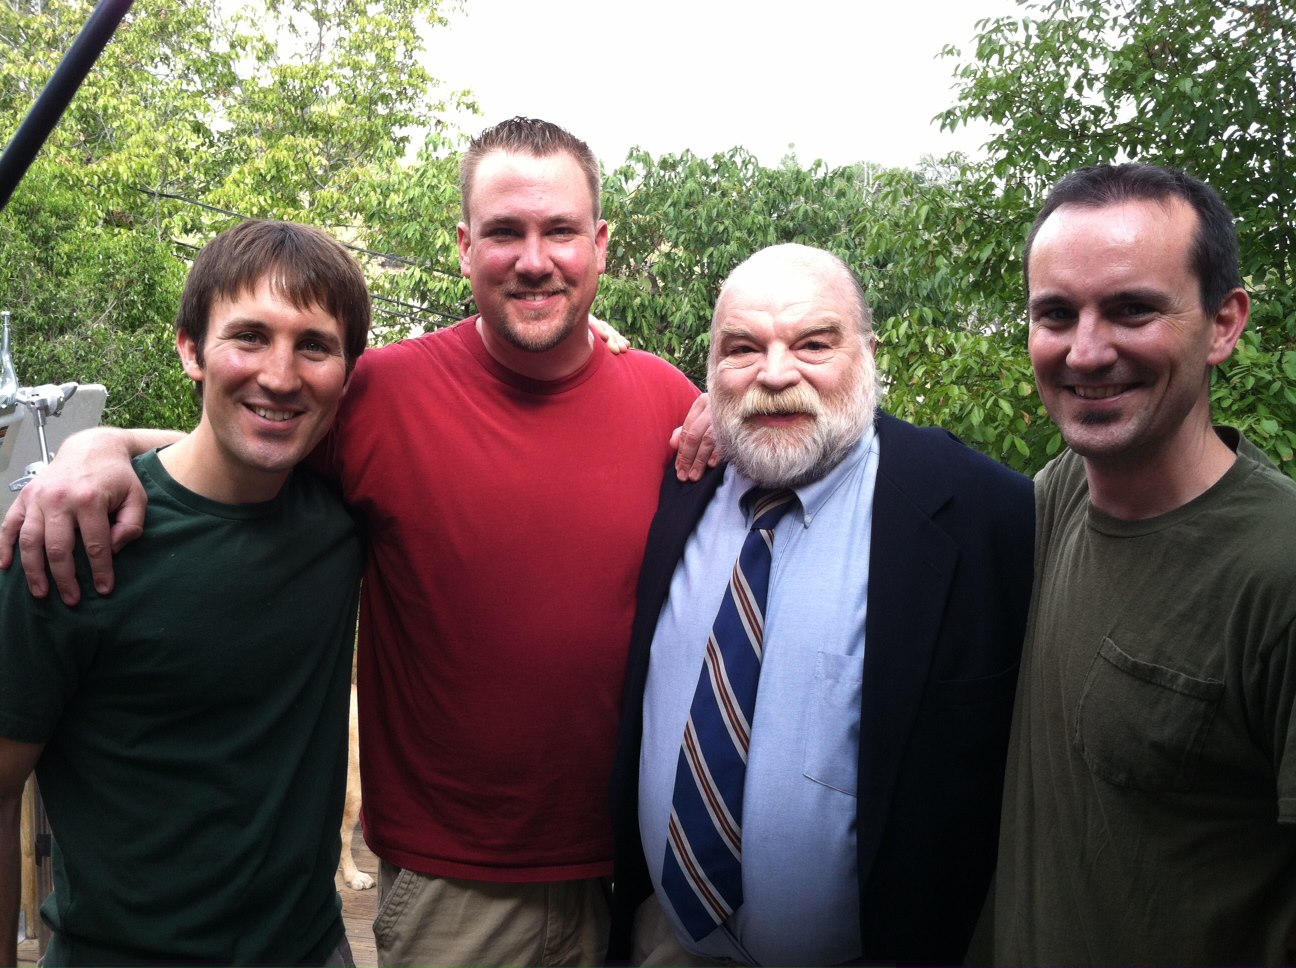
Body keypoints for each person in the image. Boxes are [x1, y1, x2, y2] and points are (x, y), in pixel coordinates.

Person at [0, 118, 705, 966]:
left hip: (651, 876)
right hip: (460, 890)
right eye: (504, 232)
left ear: (599, 246)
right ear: (462, 245)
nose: (533, 257)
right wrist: (95, 446)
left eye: (559, 231)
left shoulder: (667, 399)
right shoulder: (385, 395)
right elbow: (247, 436)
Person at [608, 243, 1035, 966]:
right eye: (743, 348)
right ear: (710, 371)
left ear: (868, 353)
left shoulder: (982, 513)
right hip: (666, 943)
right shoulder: (680, 482)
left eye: (813, 343)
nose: (775, 374)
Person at [0, 219, 370, 967]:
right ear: (190, 350)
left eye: (314, 345)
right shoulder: (73, 536)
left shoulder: (341, 517)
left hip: (311, 951)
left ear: (348, 369)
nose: (280, 373)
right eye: (249, 336)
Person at [992, 163, 1296, 966]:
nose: (1087, 353)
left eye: (1132, 310)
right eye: (1056, 314)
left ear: (1225, 324)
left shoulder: (1276, 572)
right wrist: (734, 400)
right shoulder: (1059, 498)